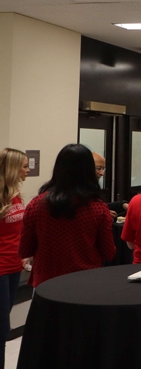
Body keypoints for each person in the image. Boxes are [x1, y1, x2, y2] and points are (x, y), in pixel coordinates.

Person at [19, 144, 115, 288]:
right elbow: (109, 252)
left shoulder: (36, 205)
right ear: (88, 170)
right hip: (85, 282)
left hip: (46, 282)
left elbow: (24, 250)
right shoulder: (98, 208)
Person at [0, 149, 28, 368]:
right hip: (0, 268)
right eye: (24, 166)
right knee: (1, 327)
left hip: (14, 265)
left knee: (4, 325)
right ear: (12, 168)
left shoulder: (15, 194)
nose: (27, 170)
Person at [92, 152, 126, 218]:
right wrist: (103, 213)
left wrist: (122, 205)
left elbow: (99, 206)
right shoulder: (79, 190)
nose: (102, 173)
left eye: (103, 169)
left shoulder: (94, 186)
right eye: (98, 168)